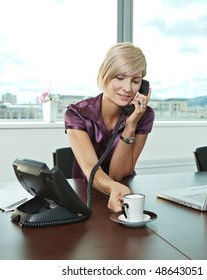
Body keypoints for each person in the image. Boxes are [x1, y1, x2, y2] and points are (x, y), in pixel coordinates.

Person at [64, 42, 154, 212]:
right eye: (120, 78)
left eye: (135, 81)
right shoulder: (76, 113)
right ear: (105, 75)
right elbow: (90, 166)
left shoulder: (144, 115)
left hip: (123, 196)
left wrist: (131, 125)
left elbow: (118, 174)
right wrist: (112, 186)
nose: (127, 88)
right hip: (85, 197)